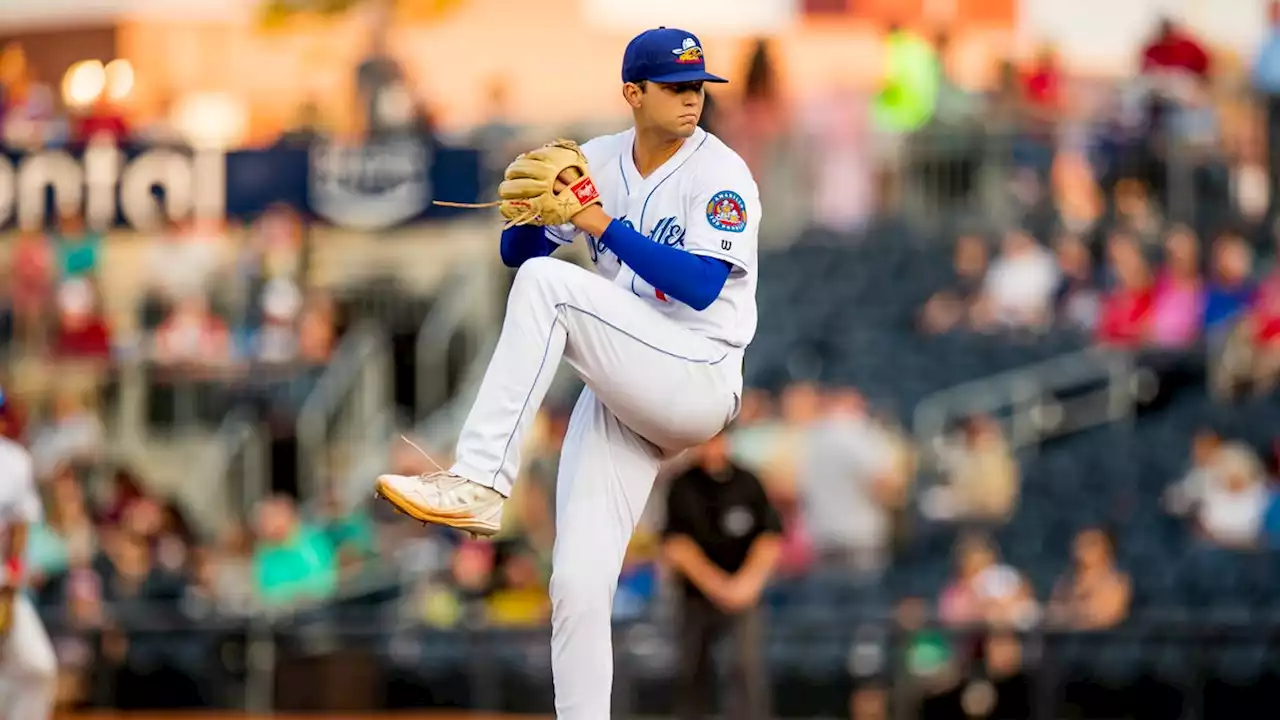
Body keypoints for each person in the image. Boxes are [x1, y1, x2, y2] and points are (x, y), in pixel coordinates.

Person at [375, 26, 757, 719]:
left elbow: (700, 287)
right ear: (632, 93)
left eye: (698, 86)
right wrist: (529, 210)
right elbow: (517, 253)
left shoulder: (721, 173)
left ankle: (482, 480)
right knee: (577, 587)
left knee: (554, 288)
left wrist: (597, 223)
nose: (690, 99)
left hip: (698, 375)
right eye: (673, 87)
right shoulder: (599, 160)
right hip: (627, 385)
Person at [663, 431, 781, 720]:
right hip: (696, 596)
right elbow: (677, 546)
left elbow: (769, 538)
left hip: (744, 594)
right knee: (692, 669)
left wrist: (744, 586)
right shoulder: (681, 486)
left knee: (746, 668)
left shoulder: (748, 482)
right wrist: (719, 587)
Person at [0, 389, 57, 720]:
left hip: (6, 585)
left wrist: (13, 573)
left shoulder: (15, 460)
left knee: (38, 668)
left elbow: (21, 524)